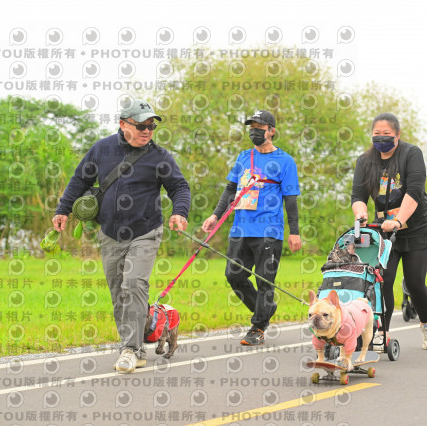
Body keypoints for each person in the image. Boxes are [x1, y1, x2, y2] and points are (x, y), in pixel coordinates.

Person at [52, 99, 191, 373]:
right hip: (110, 234)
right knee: (119, 292)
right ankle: (151, 325)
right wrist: (63, 210)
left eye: (151, 126)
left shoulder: (160, 157)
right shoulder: (102, 149)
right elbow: (80, 180)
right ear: (123, 124)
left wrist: (180, 212)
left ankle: (131, 350)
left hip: (146, 231)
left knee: (134, 283)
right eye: (141, 126)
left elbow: (179, 186)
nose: (147, 131)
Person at [202, 110, 302, 345]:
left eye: (259, 128)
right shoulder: (244, 157)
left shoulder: (285, 161)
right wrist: (215, 215)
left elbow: (291, 199)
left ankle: (258, 327)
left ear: (271, 131)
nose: (254, 132)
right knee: (233, 275)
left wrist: (294, 232)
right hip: (240, 229)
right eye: (252, 128)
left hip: (269, 230)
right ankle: (265, 309)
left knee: (265, 280)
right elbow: (230, 189)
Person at [351, 112, 427, 350]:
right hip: (384, 231)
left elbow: (415, 191)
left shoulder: (411, 154)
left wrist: (399, 220)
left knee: (414, 283)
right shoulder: (365, 161)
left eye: (387, 134)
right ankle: (382, 332)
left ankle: (426, 325)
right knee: (383, 281)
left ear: (397, 135)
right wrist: (361, 213)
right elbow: (358, 195)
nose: (381, 138)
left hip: (416, 228)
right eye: (377, 134)